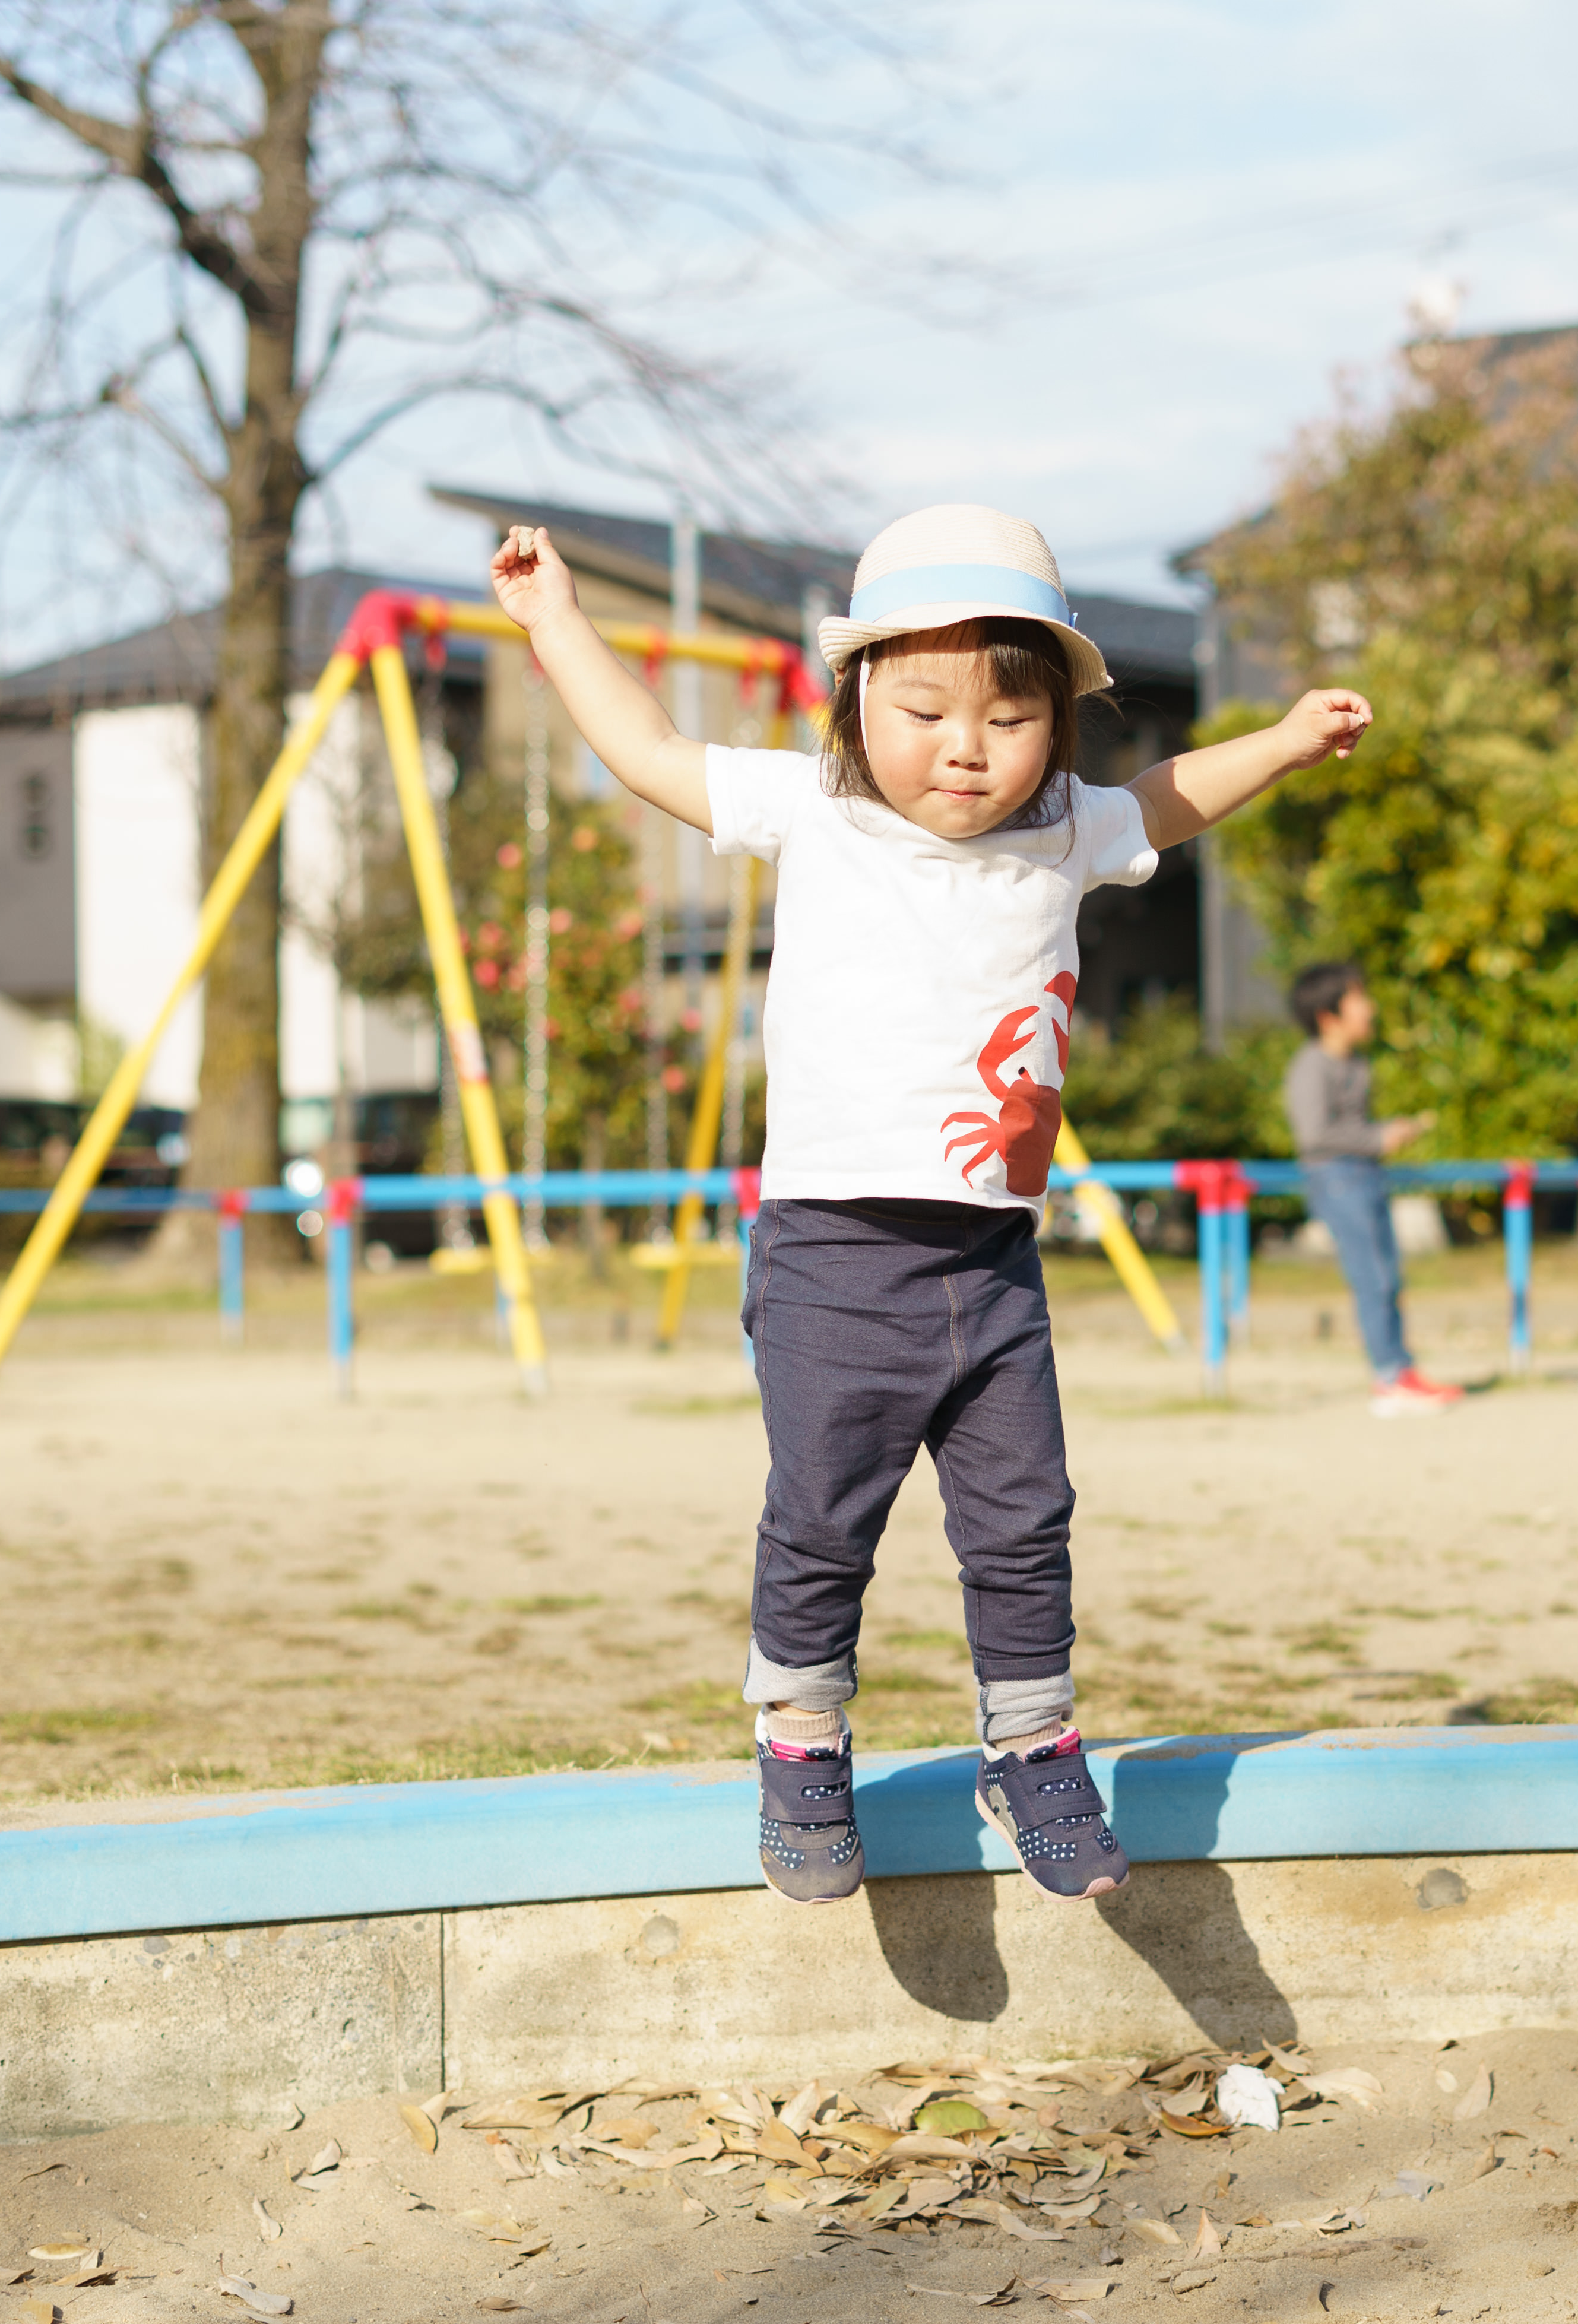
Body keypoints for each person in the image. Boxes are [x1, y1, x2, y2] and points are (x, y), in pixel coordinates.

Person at [489, 504, 1371, 1906]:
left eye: (1011, 718)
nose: (967, 746)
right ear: (855, 701)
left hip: (993, 1257)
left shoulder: (1064, 831)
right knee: (823, 1513)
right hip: (835, 1252)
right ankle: (801, 1735)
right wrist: (555, 621)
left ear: (1054, 727)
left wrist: (1281, 738)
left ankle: (1031, 1745)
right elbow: (649, 751)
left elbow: (1168, 798)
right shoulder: (813, 810)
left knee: (1026, 1515)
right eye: (924, 712)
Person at [1283, 962, 1461, 1416]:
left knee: (1388, 1276)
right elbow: (1314, 1134)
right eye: (1358, 999)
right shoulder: (1311, 1066)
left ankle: (1401, 1369)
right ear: (1328, 1016)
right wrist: (1378, 1138)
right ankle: (1390, 1377)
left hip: (1365, 1176)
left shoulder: (1357, 1063)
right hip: (1338, 1180)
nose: (1370, 1008)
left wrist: (1383, 1136)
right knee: (1373, 1278)